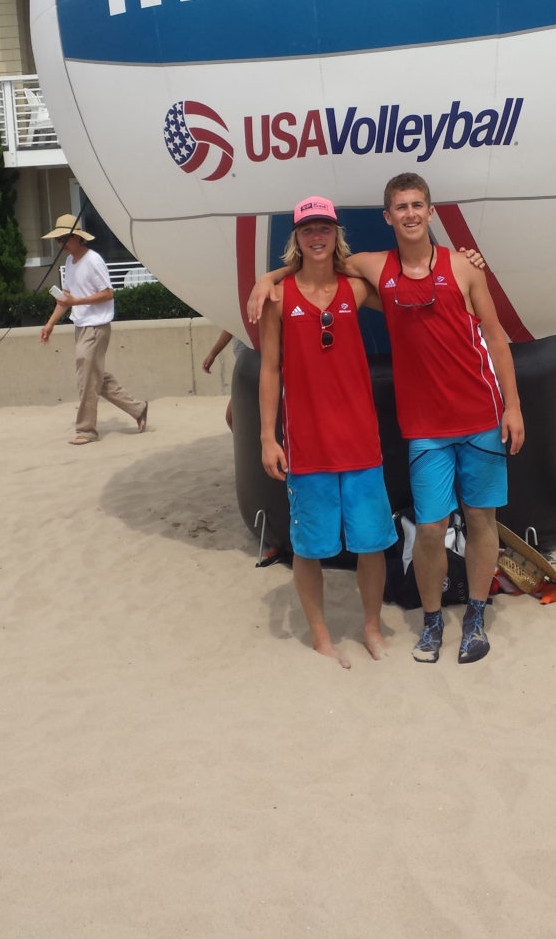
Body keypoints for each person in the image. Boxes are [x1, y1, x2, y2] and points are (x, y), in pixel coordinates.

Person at [249, 175, 524, 666]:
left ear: (430, 211)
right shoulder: (329, 285)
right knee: (404, 533)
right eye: (402, 207)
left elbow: (487, 333)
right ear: (388, 216)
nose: (411, 213)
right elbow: (275, 356)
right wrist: (265, 279)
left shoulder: (415, 277)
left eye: (418, 204)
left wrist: (514, 405)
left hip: (437, 425)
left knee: (446, 528)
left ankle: (441, 620)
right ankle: (396, 625)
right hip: (374, 436)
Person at [259, 196, 396, 668]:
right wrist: (266, 436)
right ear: (295, 238)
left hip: (360, 440)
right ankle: (321, 635)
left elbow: (406, 291)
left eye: (324, 229)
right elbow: (270, 370)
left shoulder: (354, 290)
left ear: (337, 235)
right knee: (309, 548)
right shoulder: (278, 297)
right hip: (307, 444)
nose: (316, 237)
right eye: (307, 229)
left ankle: (372, 627)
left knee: (371, 543)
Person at [40, 214, 148, 446]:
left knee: (87, 379)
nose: (60, 244)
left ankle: (86, 430)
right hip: (81, 326)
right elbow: (65, 299)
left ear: (77, 237)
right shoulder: (70, 262)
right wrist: (50, 324)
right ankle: (138, 408)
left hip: (97, 326)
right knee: (94, 376)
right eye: (58, 240)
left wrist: (75, 303)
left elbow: (108, 293)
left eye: (63, 239)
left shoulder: (94, 260)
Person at [202, 329, 235, 429]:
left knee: (232, 417)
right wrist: (213, 354)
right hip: (245, 368)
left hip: (255, 366)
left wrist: (213, 354)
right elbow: (231, 327)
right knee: (231, 418)